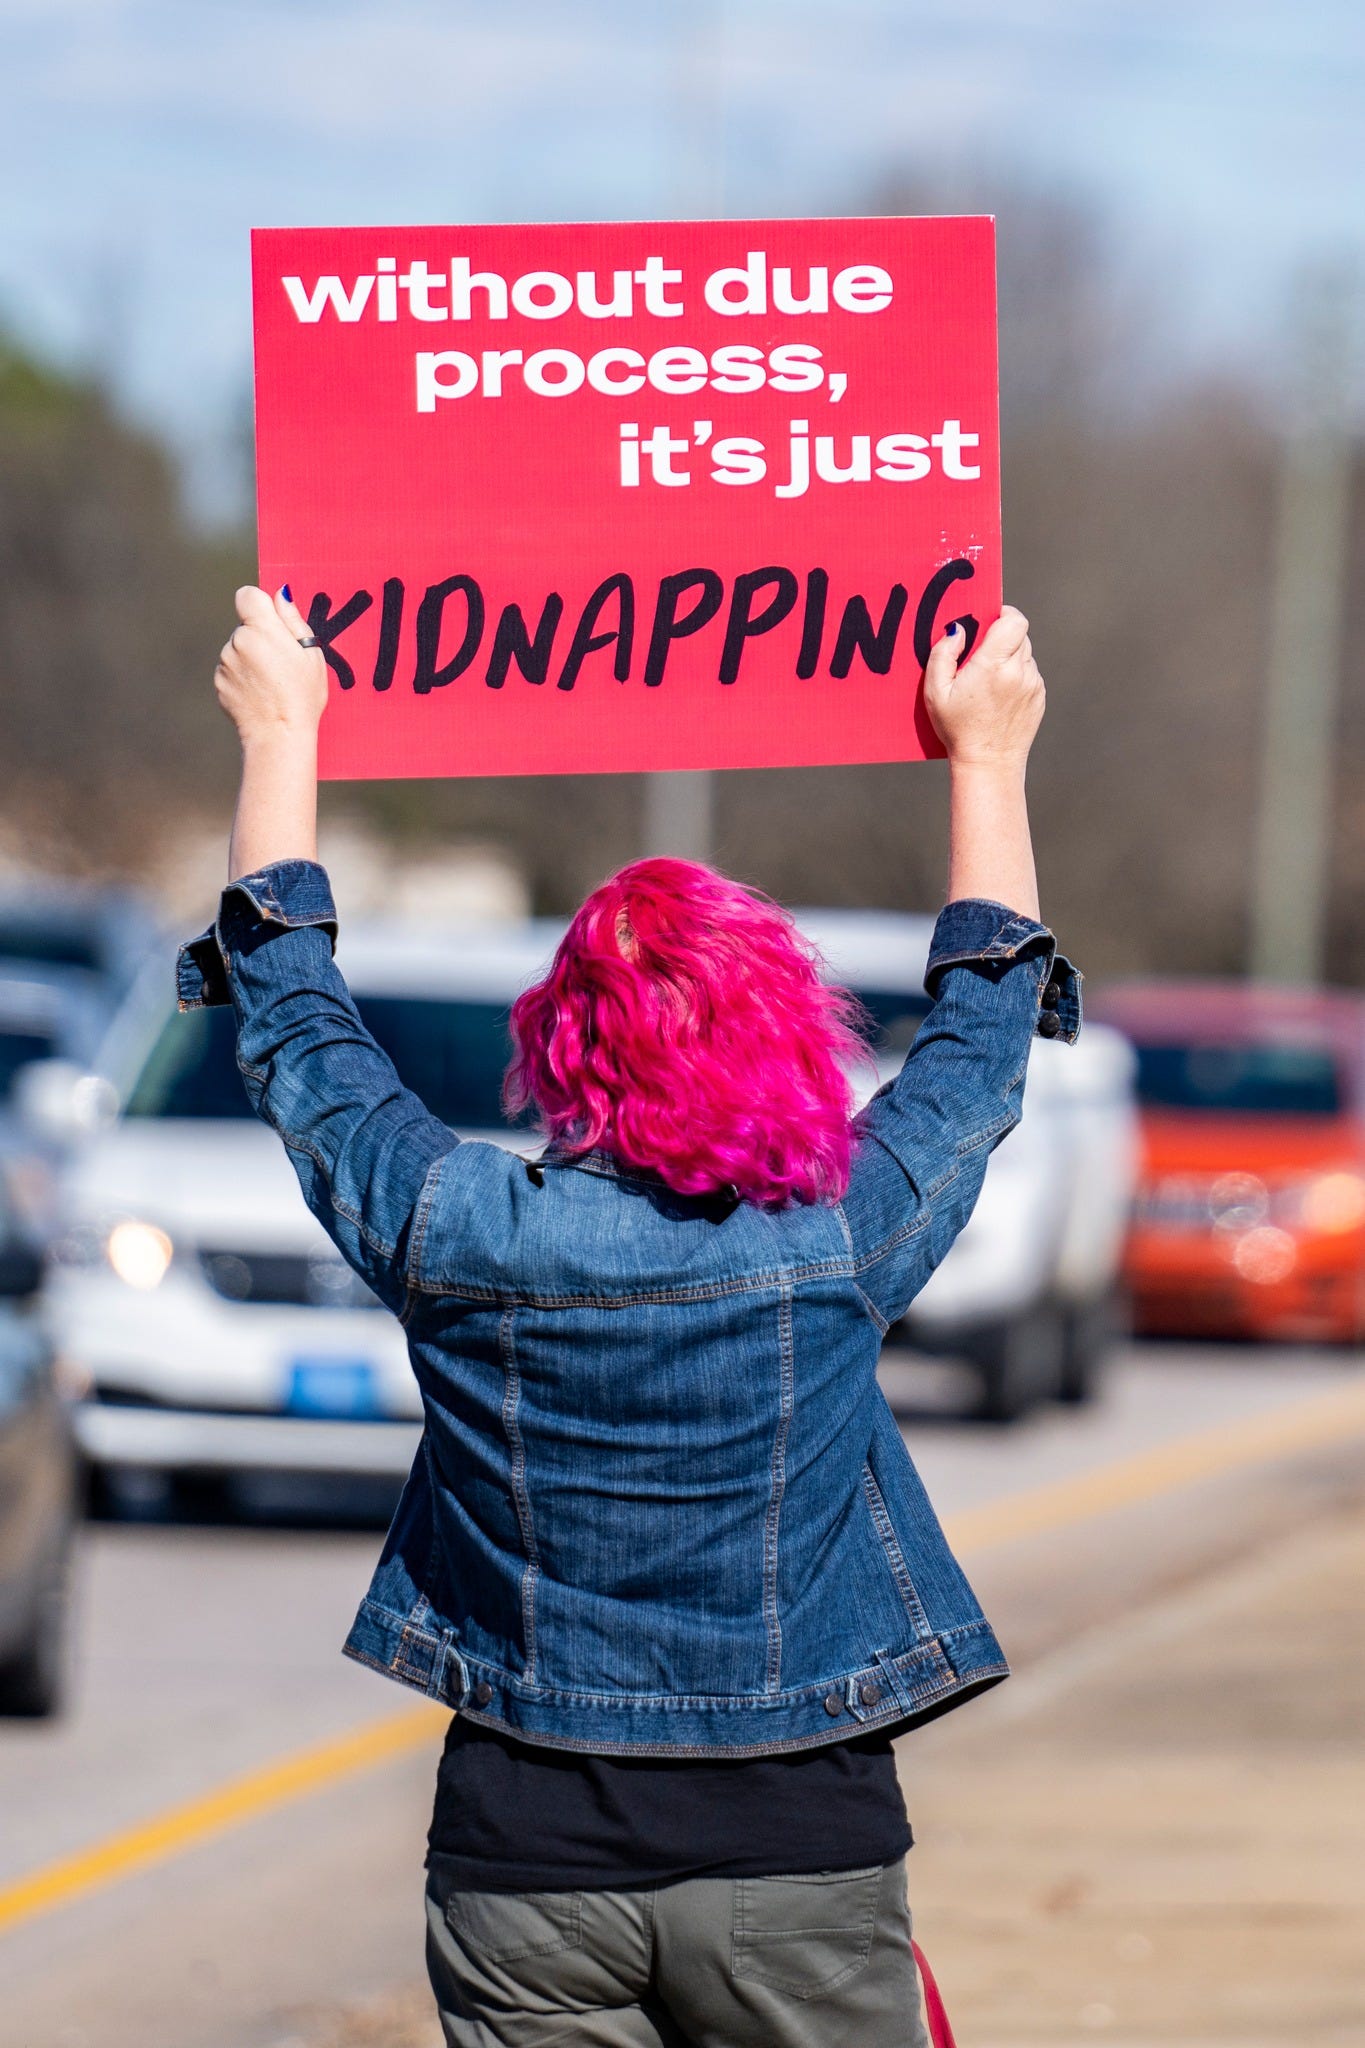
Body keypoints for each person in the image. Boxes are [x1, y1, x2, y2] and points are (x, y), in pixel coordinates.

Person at [180, 585, 1077, 2048]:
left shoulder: (457, 1226)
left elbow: (298, 1028)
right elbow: (978, 1049)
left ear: (557, 1038)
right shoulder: (839, 1238)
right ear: (789, 1032)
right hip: (799, 1850)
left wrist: (282, 733)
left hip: (524, 1859)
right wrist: (986, 762)